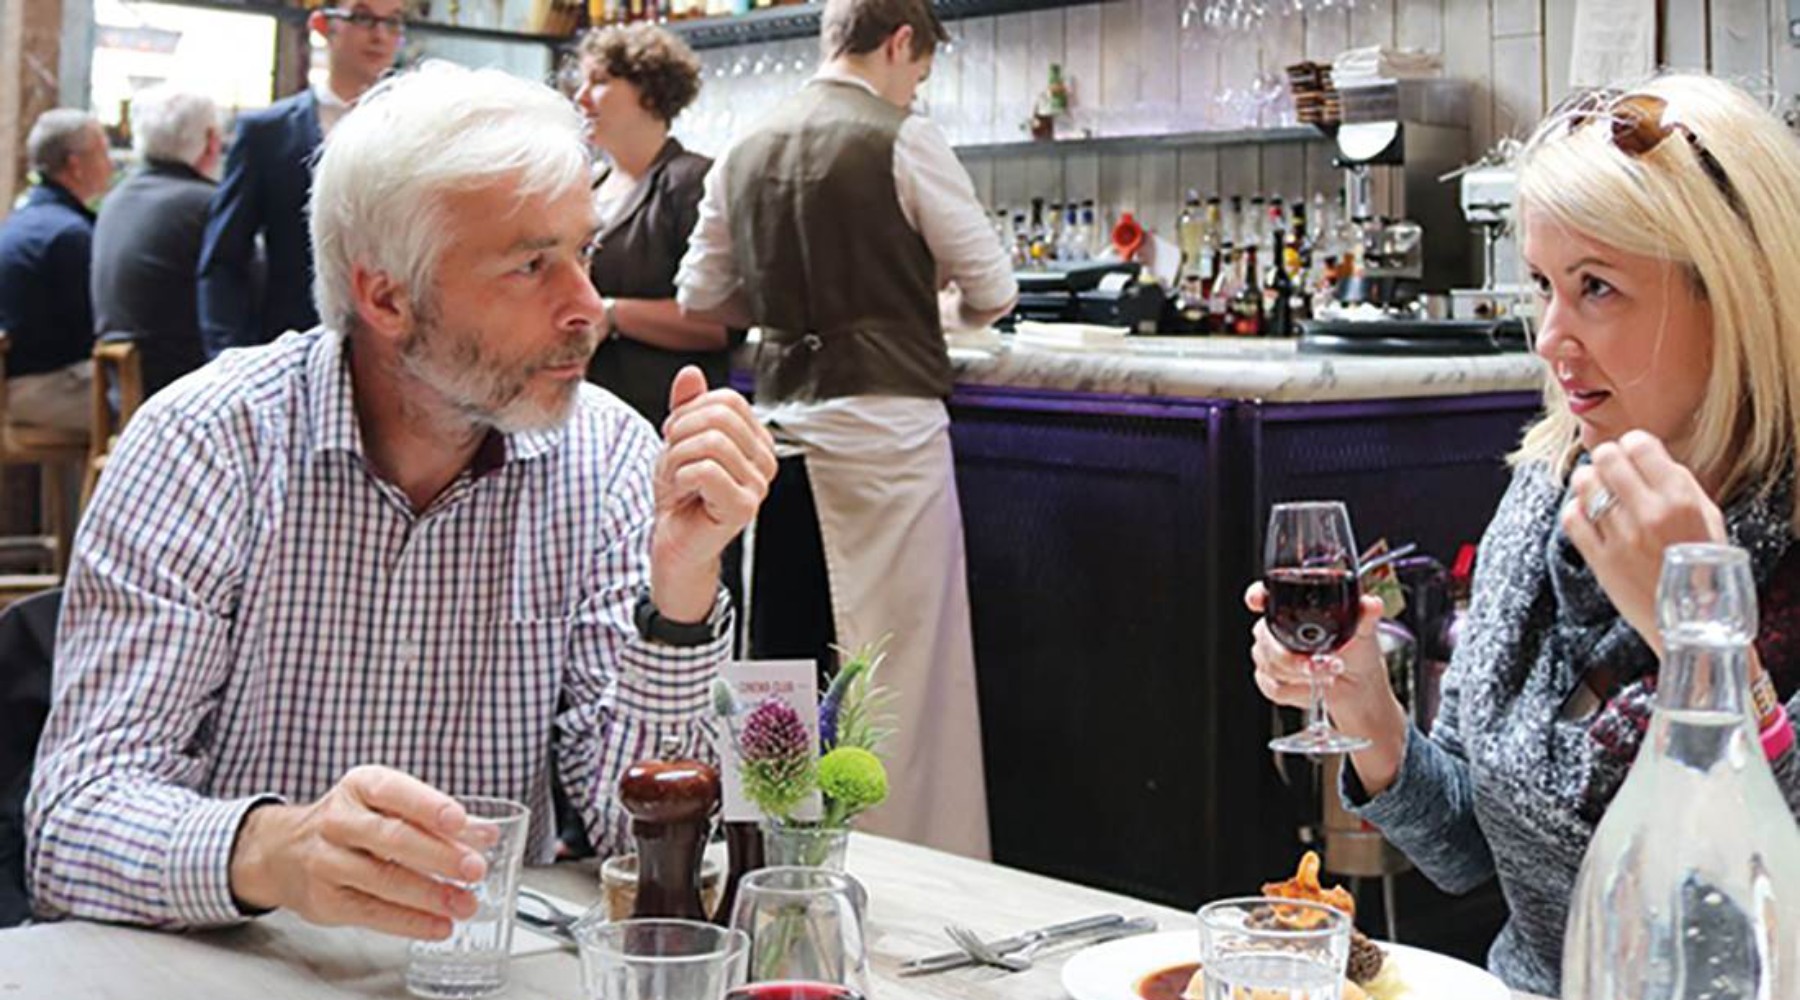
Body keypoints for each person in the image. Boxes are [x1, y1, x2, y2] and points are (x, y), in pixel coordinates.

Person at [25, 61, 777, 936]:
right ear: (385, 295)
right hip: (232, 967)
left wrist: (680, 593)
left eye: (584, 252)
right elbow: (72, 825)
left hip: (479, 974)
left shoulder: (607, 457)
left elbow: (638, 839)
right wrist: (275, 852)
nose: (587, 309)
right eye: (532, 265)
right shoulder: (208, 445)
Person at [1246, 72, 1800, 996]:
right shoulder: (1550, 491)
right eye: (1544, 283)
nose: (1549, 335)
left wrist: (1700, 631)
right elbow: (1468, 844)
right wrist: (1370, 714)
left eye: (1598, 288)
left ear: (1733, 296)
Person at [676, 0, 1017, 859]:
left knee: (775, 663)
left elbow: (701, 297)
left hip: (776, 432)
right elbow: (996, 286)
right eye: (919, 71)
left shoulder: (746, 146)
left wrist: (791, 309)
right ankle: (912, 881)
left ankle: (765, 870)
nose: (913, 90)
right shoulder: (903, 137)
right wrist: (933, 306)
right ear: (901, 43)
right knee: (901, 673)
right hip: (886, 434)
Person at [197, 0, 403, 357]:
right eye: (363, 17)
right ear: (323, 25)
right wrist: (227, 357)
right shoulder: (268, 132)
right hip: (294, 344)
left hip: (401, 348)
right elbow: (224, 259)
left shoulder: (416, 130)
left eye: (394, 22)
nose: (380, 35)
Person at [571, 23, 734, 429]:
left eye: (600, 81)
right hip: (588, 415)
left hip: (668, 418)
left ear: (649, 92)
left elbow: (720, 323)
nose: (581, 97)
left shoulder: (692, 182)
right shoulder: (588, 184)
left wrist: (611, 315)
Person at [91, 85, 223, 396]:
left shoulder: (118, 197)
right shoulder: (206, 205)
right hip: (179, 396)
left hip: (120, 391)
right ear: (211, 143)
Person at [0, 110, 112, 432]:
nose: (111, 164)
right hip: (39, 390)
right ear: (75, 164)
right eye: (103, 152)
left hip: (18, 381)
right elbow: (93, 327)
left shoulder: (25, 217)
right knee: (148, 404)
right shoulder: (68, 234)